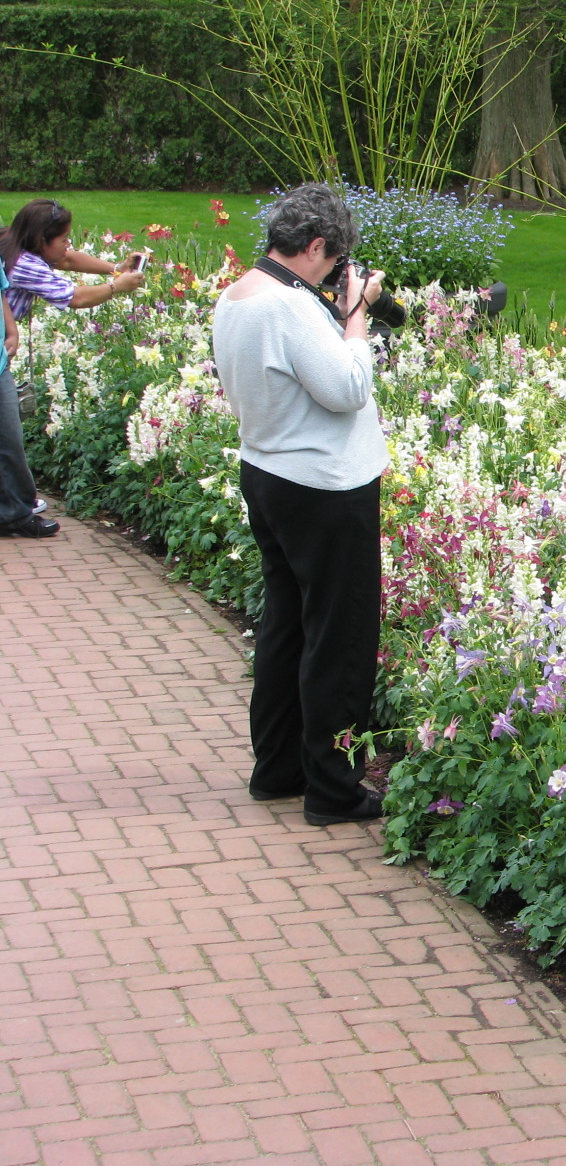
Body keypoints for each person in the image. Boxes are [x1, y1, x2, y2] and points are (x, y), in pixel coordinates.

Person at [212, 183, 389, 827]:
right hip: (325, 489)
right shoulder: (286, 308)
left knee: (286, 627)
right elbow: (346, 387)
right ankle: (333, 790)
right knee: (337, 638)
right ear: (317, 247)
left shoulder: (236, 295)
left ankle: (278, 768)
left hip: (268, 474)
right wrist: (356, 317)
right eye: (334, 257)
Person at [0, 198, 147, 537]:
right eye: (63, 238)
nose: (68, 245)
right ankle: (15, 513)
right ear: (41, 240)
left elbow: (66, 258)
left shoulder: (13, 241)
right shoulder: (25, 264)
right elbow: (75, 298)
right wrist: (116, 287)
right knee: (8, 433)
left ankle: (11, 504)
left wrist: (114, 268)